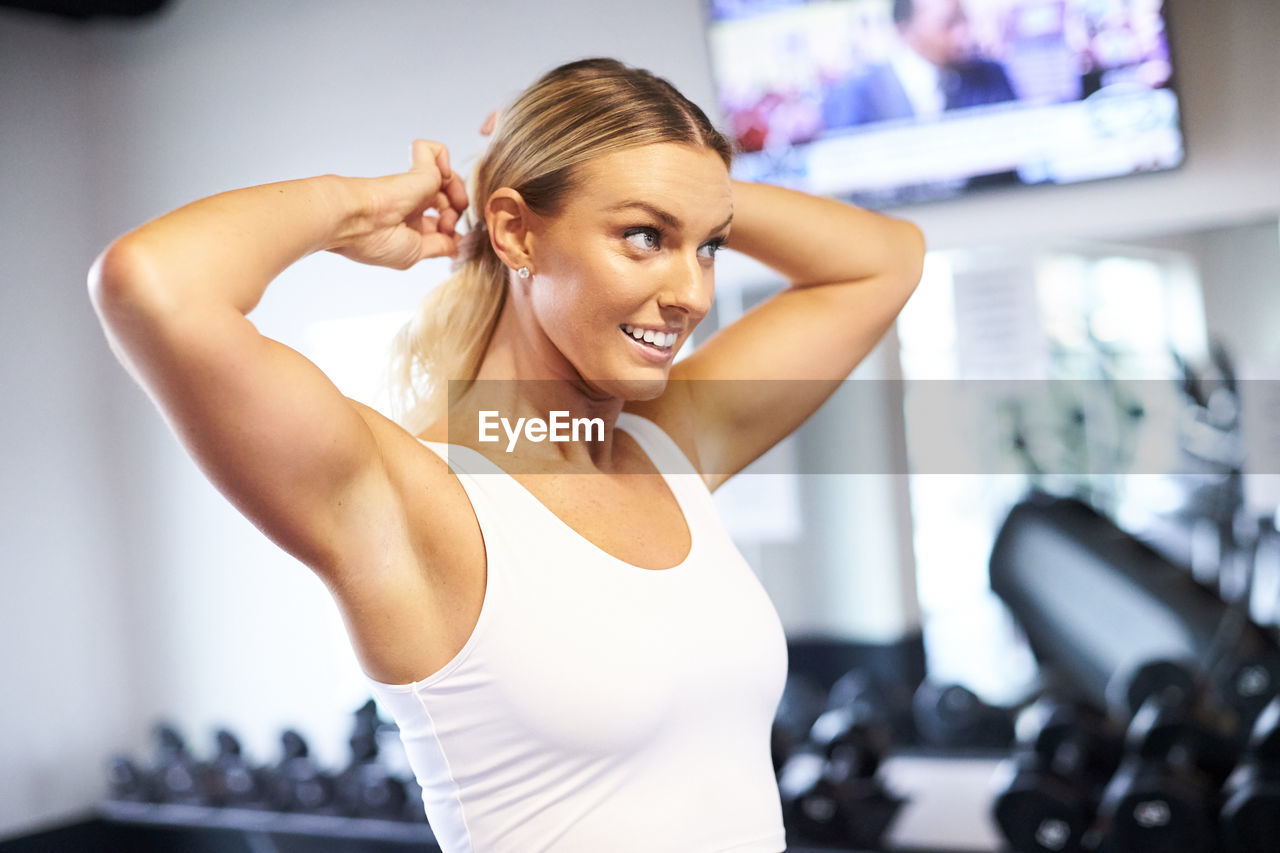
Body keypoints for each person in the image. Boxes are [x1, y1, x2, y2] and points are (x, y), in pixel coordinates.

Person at [89, 58, 924, 852]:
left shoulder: (666, 445)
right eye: (642, 236)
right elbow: (152, 281)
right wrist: (359, 208)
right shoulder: (411, 499)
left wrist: (680, 183)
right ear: (516, 233)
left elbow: (885, 261)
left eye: (707, 246)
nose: (693, 292)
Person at [823, 0, 1018, 129]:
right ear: (904, 29)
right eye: (948, 24)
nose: (963, 33)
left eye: (963, 20)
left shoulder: (989, 78)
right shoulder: (859, 94)